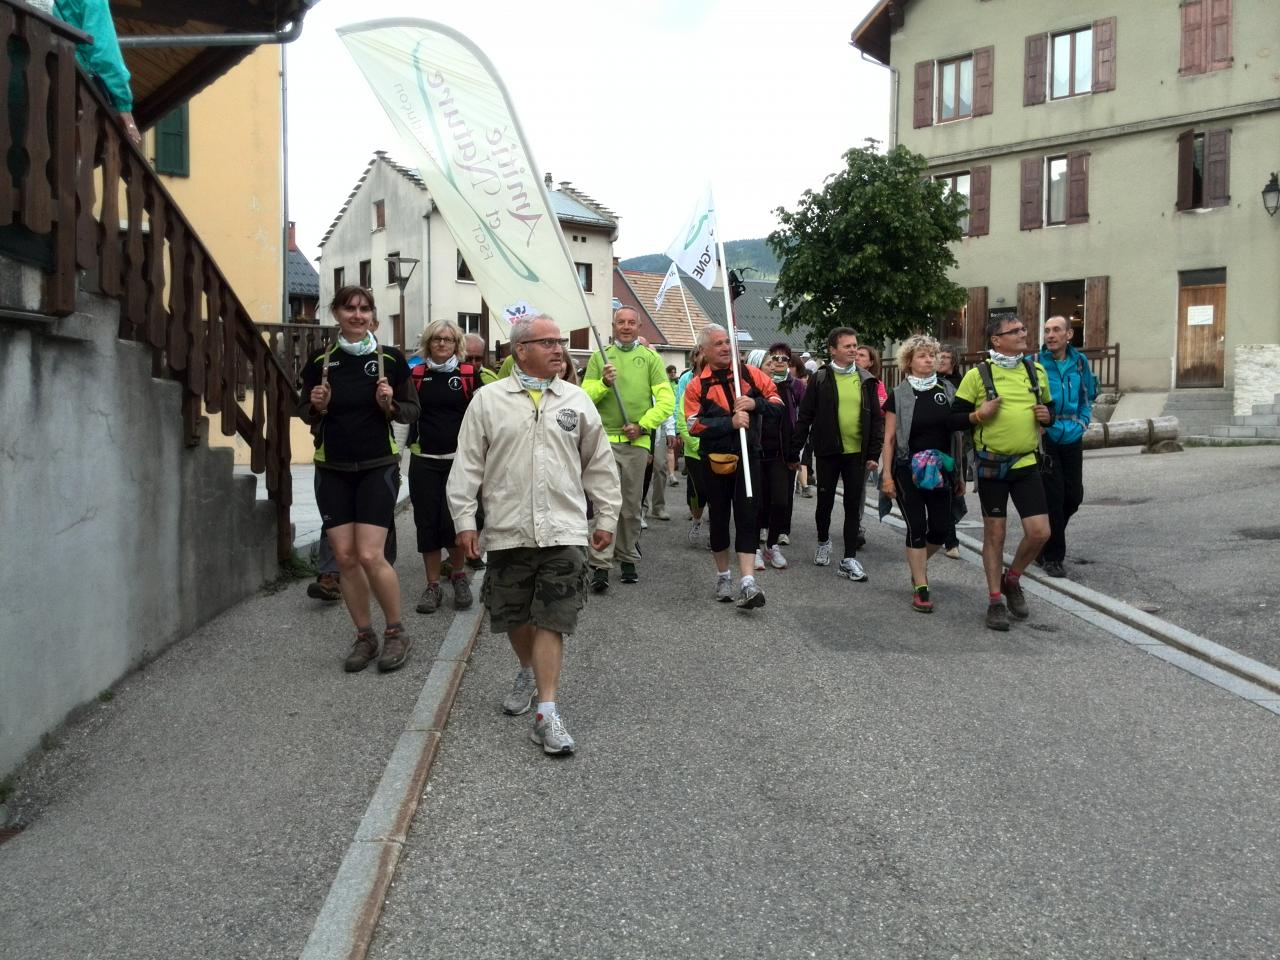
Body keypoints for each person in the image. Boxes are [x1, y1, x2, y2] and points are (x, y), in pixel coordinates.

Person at [447, 315, 621, 755]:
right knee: (514, 614)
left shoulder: (577, 401)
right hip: (508, 529)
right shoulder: (488, 401)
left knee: (552, 617)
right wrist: (466, 521)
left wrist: (606, 517)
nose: (558, 348)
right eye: (547, 342)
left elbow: (598, 464)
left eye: (560, 341)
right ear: (520, 350)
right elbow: (467, 465)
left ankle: (547, 711)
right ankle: (527, 668)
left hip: (563, 529)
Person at [298, 286, 420, 672]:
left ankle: (396, 632)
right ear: (335, 314)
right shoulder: (321, 360)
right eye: (349, 308)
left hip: (376, 466)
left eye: (364, 309)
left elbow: (410, 411)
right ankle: (364, 635)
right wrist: (315, 406)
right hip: (331, 467)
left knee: (370, 554)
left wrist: (390, 404)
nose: (357, 314)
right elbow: (303, 410)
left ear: (372, 316)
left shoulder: (390, 359)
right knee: (346, 558)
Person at [950, 315, 1054, 631]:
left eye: (1023, 329)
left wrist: (1047, 416)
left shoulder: (1034, 370)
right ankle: (995, 600)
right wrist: (979, 414)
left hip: (1025, 463)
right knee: (995, 534)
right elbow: (954, 419)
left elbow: (1050, 410)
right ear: (996, 340)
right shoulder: (977, 375)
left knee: (1040, 532)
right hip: (992, 465)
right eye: (1015, 331)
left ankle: (1013, 579)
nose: (1024, 334)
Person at [683, 324, 783, 609]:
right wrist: (730, 422)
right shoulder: (695, 385)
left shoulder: (750, 375)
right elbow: (693, 425)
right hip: (714, 461)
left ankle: (748, 582)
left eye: (728, 342)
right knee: (719, 518)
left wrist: (754, 403)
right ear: (704, 351)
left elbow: (777, 403)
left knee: (748, 516)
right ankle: (723, 575)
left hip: (749, 457)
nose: (726, 347)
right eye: (718, 344)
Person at [581, 306, 675, 589]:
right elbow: (584, 397)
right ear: (613, 325)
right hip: (605, 440)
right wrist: (603, 384)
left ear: (639, 326)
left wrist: (643, 425)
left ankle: (628, 556)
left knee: (631, 506)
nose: (625, 326)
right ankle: (599, 563)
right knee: (604, 504)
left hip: (636, 441)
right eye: (620, 322)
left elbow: (666, 400)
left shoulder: (650, 359)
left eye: (631, 322)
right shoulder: (600, 357)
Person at [879, 335, 968, 612]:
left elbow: (957, 438)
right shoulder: (899, 395)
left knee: (940, 530)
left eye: (933, 355)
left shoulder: (949, 390)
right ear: (909, 361)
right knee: (916, 526)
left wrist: (960, 474)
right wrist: (887, 476)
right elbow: (890, 438)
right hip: (907, 468)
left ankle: (917, 564)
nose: (929, 360)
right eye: (922, 355)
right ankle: (921, 586)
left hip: (941, 468)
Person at [790, 326, 884, 583]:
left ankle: (850, 558)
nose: (854, 349)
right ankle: (823, 541)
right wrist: (794, 451)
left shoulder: (866, 379)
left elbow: (876, 419)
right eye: (847, 346)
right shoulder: (821, 378)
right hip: (828, 452)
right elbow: (805, 416)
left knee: (854, 506)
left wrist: (874, 452)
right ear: (833, 350)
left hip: (857, 454)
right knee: (825, 501)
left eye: (855, 345)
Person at [406, 320, 485, 615]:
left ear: (456, 345)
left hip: (458, 461)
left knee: (453, 521)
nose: (442, 343)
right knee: (427, 524)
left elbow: (485, 414)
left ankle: (459, 575)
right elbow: (402, 414)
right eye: (437, 339)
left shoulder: (467, 374)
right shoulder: (415, 374)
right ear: (428, 342)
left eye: (448, 339)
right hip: (423, 460)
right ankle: (432, 585)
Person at [1037, 316, 1097, 578]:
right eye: (1047, 330)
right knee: (1054, 499)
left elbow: (1088, 396)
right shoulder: (1035, 363)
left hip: (1073, 436)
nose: (1050, 335)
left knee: (1073, 497)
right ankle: (1053, 557)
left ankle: (1041, 545)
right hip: (1046, 437)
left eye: (1056, 330)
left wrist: (1084, 421)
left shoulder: (1080, 363)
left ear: (1069, 334)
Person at [754, 343, 803, 566]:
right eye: (769, 362)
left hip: (780, 454)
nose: (775, 365)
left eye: (779, 361)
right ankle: (753, 546)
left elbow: (795, 420)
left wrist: (794, 452)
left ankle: (771, 545)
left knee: (781, 501)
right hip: (755, 453)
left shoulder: (785, 387)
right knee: (755, 502)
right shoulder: (748, 390)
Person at [675, 347, 709, 548]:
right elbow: (682, 418)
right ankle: (697, 520)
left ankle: (716, 532)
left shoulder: (722, 385)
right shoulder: (689, 385)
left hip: (717, 450)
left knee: (718, 493)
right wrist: (696, 442)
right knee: (698, 491)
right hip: (694, 450)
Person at [937, 343, 968, 559]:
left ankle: (948, 537)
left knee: (951, 489)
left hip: (955, 445)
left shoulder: (963, 383)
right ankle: (945, 537)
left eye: (946, 356)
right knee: (937, 490)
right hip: (934, 442)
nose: (941, 360)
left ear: (954, 361)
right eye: (939, 356)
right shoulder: (931, 382)